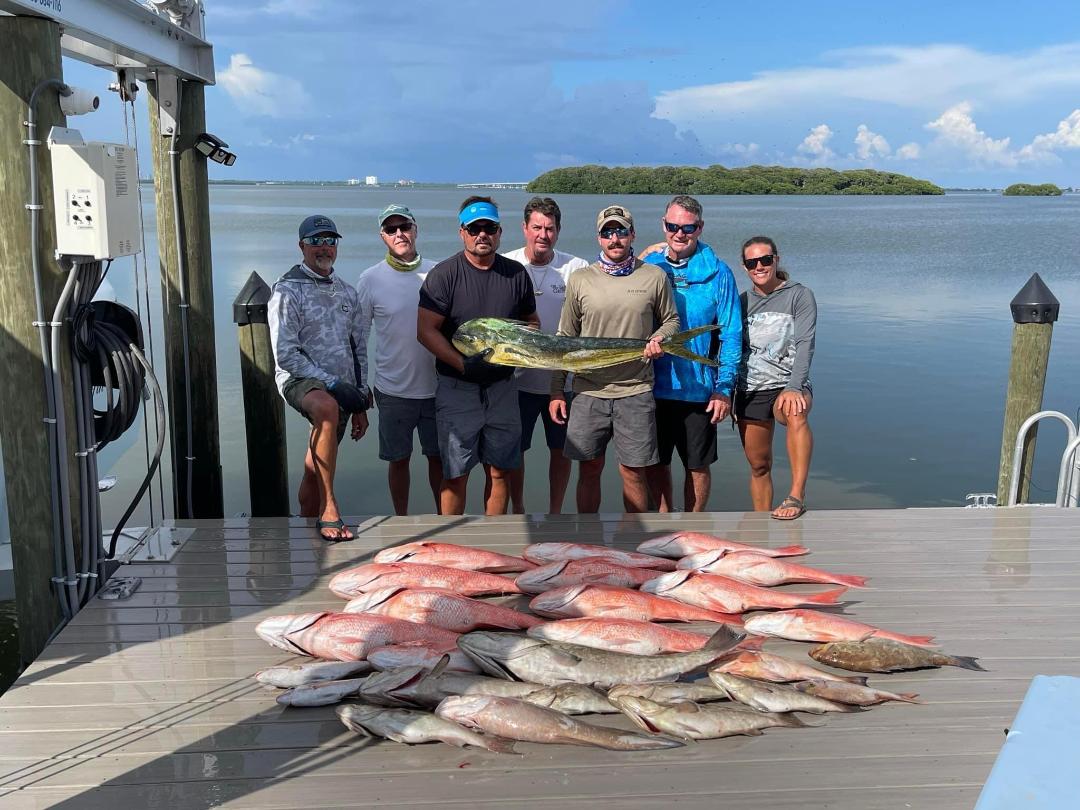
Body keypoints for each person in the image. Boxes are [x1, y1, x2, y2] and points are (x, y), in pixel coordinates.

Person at [550, 204, 680, 513]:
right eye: (607, 232)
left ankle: (634, 541)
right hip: (587, 392)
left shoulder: (654, 276)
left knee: (633, 473)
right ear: (599, 238)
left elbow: (671, 320)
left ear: (632, 234)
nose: (615, 239)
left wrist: (660, 338)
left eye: (620, 231)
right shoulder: (581, 279)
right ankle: (589, 537)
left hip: (635, 391)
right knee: (589, 469)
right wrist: (557, 389)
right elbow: (565, 338)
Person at [417, 197, 539, 515]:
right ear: (462, 232)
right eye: (474, 229)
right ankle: (453, 545)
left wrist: (518, 351)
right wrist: (462, 364)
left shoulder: (516, 275)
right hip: (457, 388)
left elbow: (532, 322)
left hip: (503, 388)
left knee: (499, 471)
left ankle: (490, 544)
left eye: (489, 228)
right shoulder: (444, 275)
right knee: (455, 474)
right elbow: (426, 330)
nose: (481, 235)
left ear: (499, 232)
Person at [269, 214, 370, 541]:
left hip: (341, 386)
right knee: (326, 409)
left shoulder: (348, 292)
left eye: (329, 240)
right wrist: (331, 384)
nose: (323, 247)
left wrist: (360, 399)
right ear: (302, 246)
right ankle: (330, 507)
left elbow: (359, 348)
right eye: (315, 241)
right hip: (299, 380)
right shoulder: (286, 291)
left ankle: (303, 523)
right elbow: (286, 354)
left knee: (315, 465)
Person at [642, 195, 742, 512]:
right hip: (652, 386)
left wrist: (724, 388)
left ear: (699, 228)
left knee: (697, 466)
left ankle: (694, 526)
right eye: (673, 226)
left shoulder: (719, 273)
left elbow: (731, 333)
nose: (679, 234)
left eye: (688, 227)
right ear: (663, 225)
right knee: (656, 464)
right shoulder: (648, 268)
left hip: (700, 391)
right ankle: (663, 526)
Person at [502, 197, 588, 514]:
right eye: (536, 227)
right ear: (524, 228)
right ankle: (519, 508)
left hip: (564, 382)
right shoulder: (507, 266)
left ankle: (555, 511)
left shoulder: (575, 268)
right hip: (518, 382)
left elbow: (612, 273)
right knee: (516, 451)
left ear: (558, 231)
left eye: (550, 228)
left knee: (561, 450)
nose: (543, 234)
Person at [356, 204, 441, 516]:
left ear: (415, 230)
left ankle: (446, 520)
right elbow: (359, 336)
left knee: (439, 460)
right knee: (398, 460)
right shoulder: (370, 279)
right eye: (391, 230)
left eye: (404, 226)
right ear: (383, 237)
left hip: (437, 389)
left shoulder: (439, 272)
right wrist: (360, 386)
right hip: (392, 391)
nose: (399, 234)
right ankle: (401, 520)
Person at [735, 236, 817, 520]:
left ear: (776, 260)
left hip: (787, 383)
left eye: (765, 260)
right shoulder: (741, 302)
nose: (759, 266)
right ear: (744, 267)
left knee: (797, 413)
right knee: (759, 466)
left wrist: (795, 386)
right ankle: (760, 521)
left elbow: (806, 342)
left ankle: (796, 495)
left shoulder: (799, 294)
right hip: (751, 387)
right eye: (752, 262)